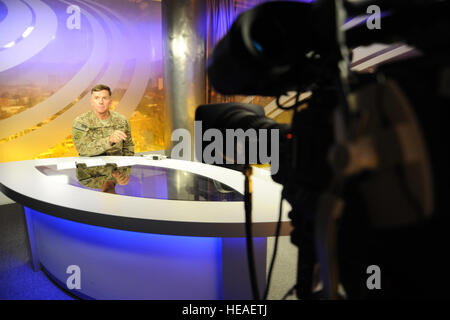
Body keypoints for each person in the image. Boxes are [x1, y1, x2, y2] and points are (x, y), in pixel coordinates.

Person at [72, 84, 134, 156]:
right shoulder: (81, 122)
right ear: (91, 102)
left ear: (110, 102)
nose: (101, 102)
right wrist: (109, 140)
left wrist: (127, 164)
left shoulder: (122, 120)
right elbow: (82, 149)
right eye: (97, 98)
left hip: (117, 166)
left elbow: (128, 147)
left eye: (104, 98)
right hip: (92, 166)